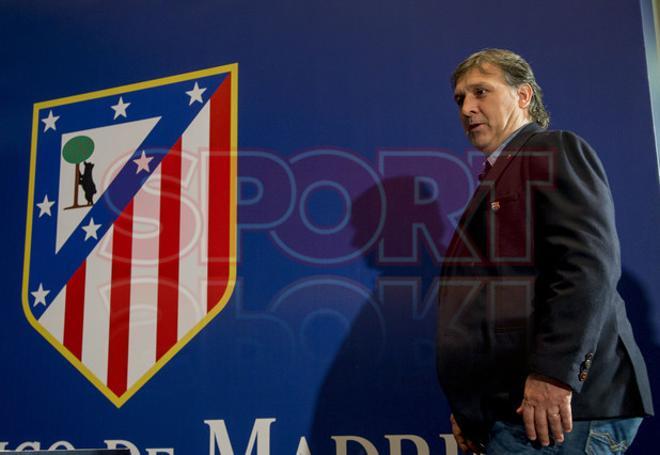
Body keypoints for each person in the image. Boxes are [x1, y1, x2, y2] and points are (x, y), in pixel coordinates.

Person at [436, 49, 654, 454]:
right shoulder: (500, 174)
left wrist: (555, 376)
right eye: (460, 99)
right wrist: (472, 408)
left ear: (523, 96)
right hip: (513, 412)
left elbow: (586, 268)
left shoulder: (552, 149)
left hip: (561, 413)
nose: (468, 108)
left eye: (481, 92)